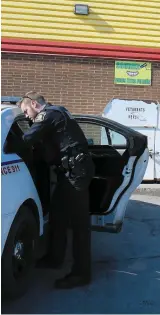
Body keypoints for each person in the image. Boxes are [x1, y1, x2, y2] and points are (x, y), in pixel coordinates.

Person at [17, 91, 95, 289]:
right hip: (68, 173)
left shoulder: (48, 115)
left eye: (26, 111)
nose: (26, 116)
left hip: (76, 174)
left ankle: (81, 273)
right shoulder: (58, 112)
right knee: (58, 218)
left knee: (79, 226)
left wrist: (9, 144)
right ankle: (54, 258)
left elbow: (27, 139)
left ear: (34, 104)